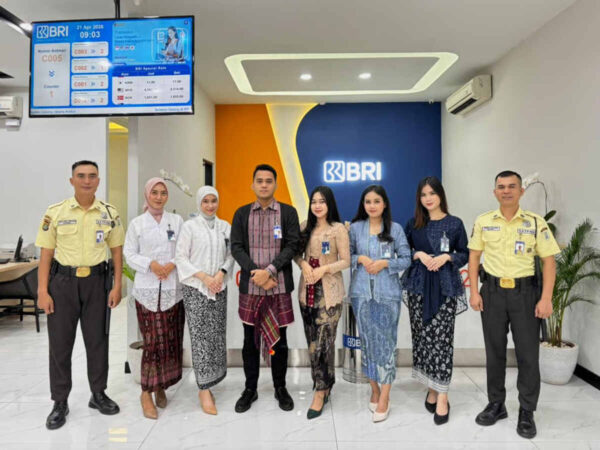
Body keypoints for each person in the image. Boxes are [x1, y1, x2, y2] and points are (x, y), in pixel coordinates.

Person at [468, 170, 560, 439]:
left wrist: (546, 298)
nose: (506, 191)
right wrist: (474, 292)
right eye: (501, 187)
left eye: (511, 186)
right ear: (494, 192)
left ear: (521, 191)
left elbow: (549, 262)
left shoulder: (535, 222)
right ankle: (496, 404)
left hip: (525, 294)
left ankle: (527, 411)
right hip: (493, 293)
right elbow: (474, 258)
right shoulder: (484, 221)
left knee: (528, 355)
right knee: (494, 352)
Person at [35, 160, 124, 430]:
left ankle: (98, 394)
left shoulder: (109, 213)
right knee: (60, 345)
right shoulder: (56, 212)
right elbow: (46, 255)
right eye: (81, 176)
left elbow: (117, 252)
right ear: (71, 181)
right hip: (62, 284)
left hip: (97, 283)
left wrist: (117, 285)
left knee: (98, 341)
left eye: (92, 176)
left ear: (98, 181)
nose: (87, 180)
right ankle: (60, 401)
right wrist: (42, 291)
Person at [230, 164, 301, 413]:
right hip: (251, 288)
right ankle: (250, 389)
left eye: (268, 181)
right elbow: (236, 247)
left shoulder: (288, 213)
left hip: (278, 287)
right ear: (252, 184)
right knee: (249, 341)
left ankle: (280, 387)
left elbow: (292, 245)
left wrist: (269, 271)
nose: (263, 185)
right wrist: (256, 274)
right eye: (259, 180)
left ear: (275, 184)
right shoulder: (241, 214)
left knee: (280, 342)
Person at [401, 176, 469, 425]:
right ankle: (431, 387)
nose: (428, 198)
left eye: (432, 193)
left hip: (444, 287)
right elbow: (402, 252)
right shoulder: (413, 223)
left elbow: (465, 253)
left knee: (442, 341)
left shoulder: (454, 223)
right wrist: (418, 253)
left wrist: (447, 257)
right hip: (418, 287)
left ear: (441, 195)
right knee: (423, 339)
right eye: (423, 194)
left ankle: (442, 395)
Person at [123, 178, 185, 420]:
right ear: (147, 195)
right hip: (147, 291)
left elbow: (184, 249)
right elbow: (129, 254)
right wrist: (151, 264)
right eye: (154, 193)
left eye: (163, 193)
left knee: (169, 341)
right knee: (152, 343)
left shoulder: (176, 221)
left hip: (172, 290)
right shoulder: (137, 224)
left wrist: (171, 264)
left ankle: (161, 386)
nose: (159, 197)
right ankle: (146, 393)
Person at [349, 185, 410, 423]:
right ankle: (374, 389)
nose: (372, 205)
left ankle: (385, 396)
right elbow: (345, 257)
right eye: (368, 202)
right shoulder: (355, 229)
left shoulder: (395, 229)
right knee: (367, 344)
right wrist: (361, 258)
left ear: (384, 204)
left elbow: (406, 259)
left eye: (377, 201)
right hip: (362, 294)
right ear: (363, 205)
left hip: (387, 295)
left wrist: (385, 263)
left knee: (386, 345)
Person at [175, 186, 234, 415]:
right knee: (200, 338)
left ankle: (212, 380)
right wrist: (205, 278)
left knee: (216, 336)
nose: (210, 205)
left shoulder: (225, 226)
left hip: (219, 287)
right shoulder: (189, 227)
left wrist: (220, 274)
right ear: (199, 203)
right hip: (196, 288)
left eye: (213, 201)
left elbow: (231, 254)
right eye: (205, 201)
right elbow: (181, 257)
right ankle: (203, 389)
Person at [294, 186, 350, 419]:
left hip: (329, 293)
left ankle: (320, 391)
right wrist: (304, 264)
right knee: (312, 343)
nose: (317, 205)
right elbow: (295, 254)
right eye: (314, 201)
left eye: (322, 201)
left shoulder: (338, 229)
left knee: (324, 342)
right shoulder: (304, 226)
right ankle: (323, 383)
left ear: (329, 204)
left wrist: (324, 269)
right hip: (306, 291)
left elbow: (346, 260)